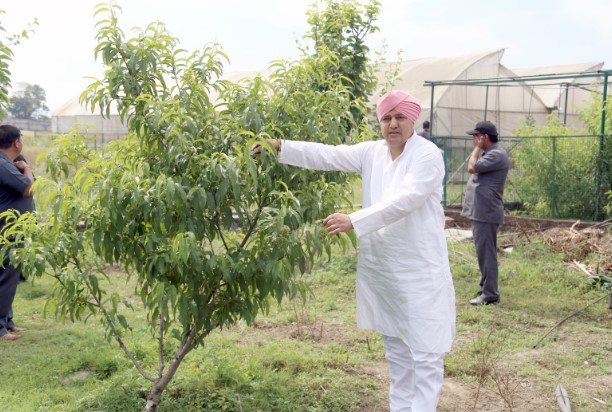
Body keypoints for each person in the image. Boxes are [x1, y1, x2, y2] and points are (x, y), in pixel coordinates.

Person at [255, 91, 456, 411]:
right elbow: (329, 155)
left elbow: (407, 200)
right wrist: (282, 146)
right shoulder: (372, 152)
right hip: (385, 270)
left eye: (399, 117)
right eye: (386, 118)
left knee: (426, 353)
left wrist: (354, 220)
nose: (392, 124)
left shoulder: (426, 154)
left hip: (419, 269)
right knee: (397, 352)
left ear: (412, 119)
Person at [461, 120, 509, 306]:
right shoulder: (491, 153)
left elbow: (472, 167)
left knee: (487, 254)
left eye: (476, 136)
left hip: (486, 212)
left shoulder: (496, 154)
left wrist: (476, 149)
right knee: (483, 253)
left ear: (484, 137)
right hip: (482, 212)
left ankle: (490, 294)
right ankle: (486, 288)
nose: (474, 140)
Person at [0, 125, 35, 341]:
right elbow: (27, 187)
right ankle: (0, 327)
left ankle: (7, 321)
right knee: (5, 278)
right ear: (16, 142)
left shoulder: (9, 163)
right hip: (7, 231)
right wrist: (27, 169)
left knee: (11, 279)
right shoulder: (3, 165)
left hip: (15, 230)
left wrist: (23, 165)